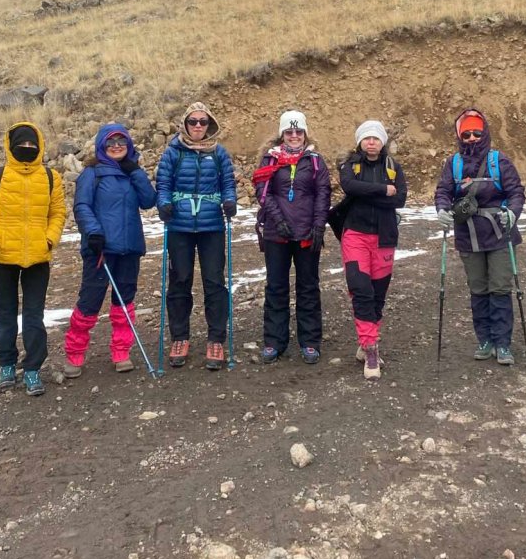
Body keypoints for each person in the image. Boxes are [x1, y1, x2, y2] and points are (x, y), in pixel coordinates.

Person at [0, 122, 66, 396]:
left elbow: (57, 213)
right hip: (0, 257)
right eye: (21, 146)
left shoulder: (50, 177)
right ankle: (7, 365)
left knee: (34, 315)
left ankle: (33, 368)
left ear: (39, 147)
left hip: (37, 257)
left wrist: (49, 239)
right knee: (5, 314)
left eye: (31, 146)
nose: (26, 149)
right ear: (10, 147)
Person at [64, 123, 156, 377]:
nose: (117, 146)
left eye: (122, 142)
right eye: (111, 142)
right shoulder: (91, 173)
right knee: (89, 301)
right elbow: (82, 206)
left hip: (130, 247)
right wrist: (93, 232)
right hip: (100, 247)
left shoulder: (131, 172)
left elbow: (149, 200)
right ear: (102, 146)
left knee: (124, 301)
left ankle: (121, 351)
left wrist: (135, 171)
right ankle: (74, 353)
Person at [434, 109, 525, 365]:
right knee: (478, 289)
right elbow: (443, 190)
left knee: (500, 288)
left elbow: (516, 191)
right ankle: (484, 340)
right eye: (467, 134)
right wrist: (441, 209)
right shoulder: (453, 164)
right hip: (469, 235)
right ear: (459, 136)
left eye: (476, 133)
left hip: (499, 232)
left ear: (484, 133)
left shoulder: (500, 161)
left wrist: (512, 213)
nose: (472, 138)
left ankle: (502, 343)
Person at [156, 103, 237, 370]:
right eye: (193, 121)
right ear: (185, 124)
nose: (198, 126)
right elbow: (164, 182)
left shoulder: (219, 153)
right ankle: (180, 337)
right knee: (179, 281)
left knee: (214, 281)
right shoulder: (173, 153)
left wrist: (229, 200)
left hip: (212, 225)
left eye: (203, 121)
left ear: (209, 124)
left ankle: (216, 339)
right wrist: (164, 203)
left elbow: (228, 182)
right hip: (179, 225)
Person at [252, 110, 331, 364]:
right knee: (276, 286)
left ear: (305, 133)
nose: (294, 136)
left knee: (308, 286)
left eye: (298, 132)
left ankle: (309, 341)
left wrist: (319, 226)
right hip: (278, 233)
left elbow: (323, 194)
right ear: (282, 134)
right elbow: (263, 193)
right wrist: (278, 220)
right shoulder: (270, 159)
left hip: (308, 233)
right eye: (289, 132)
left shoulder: (316, 161)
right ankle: (274, 341)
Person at [337, 120, 407, 380]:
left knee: (377, 295)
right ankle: (371, 349)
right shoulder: (349, 165)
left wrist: (369, 193)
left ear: (382, 142)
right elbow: (350, 187)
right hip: (355, 235)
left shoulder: (393, 167)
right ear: (359, 142)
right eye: (366, 138)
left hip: (384, 237)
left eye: (375, 138)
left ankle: (367, 338)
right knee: (361, 289)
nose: (371, 142)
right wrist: (382, 191)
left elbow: (400, 198)